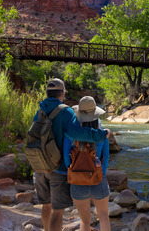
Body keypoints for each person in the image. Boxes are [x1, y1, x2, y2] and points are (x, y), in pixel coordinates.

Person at [34, 79, 109, 231]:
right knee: (57, 212)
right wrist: (102, 135)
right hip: (58, 168)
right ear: (62, 93)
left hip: (40, 165)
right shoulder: (66, 111)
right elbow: (77, 134)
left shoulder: (40, 110)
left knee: (46, 206)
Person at [64, 96, 111, 231]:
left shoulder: (69, 135)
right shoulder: (102, 135)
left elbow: (67, 159)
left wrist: (71, 169)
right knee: (103, 216)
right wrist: (101, 172)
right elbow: (106, 156)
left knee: (84, 220)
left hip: (77, 181)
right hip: (97, 179)